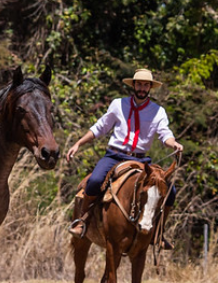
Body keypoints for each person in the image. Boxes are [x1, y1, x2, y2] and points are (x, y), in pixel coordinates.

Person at [66, 68, 183, 249]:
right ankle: (83, 221)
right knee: (95, 180)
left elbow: (165, 134)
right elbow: (100, 127)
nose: (142, 88)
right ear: (134, 85)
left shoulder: (158, 112)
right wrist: (78, 144)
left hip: (141, 160)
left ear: (150, 87)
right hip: (114, 155)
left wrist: (174, 144)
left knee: (170, 190)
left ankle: (158, 231)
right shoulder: (118, 104)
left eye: (146, 85)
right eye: (139, 84)